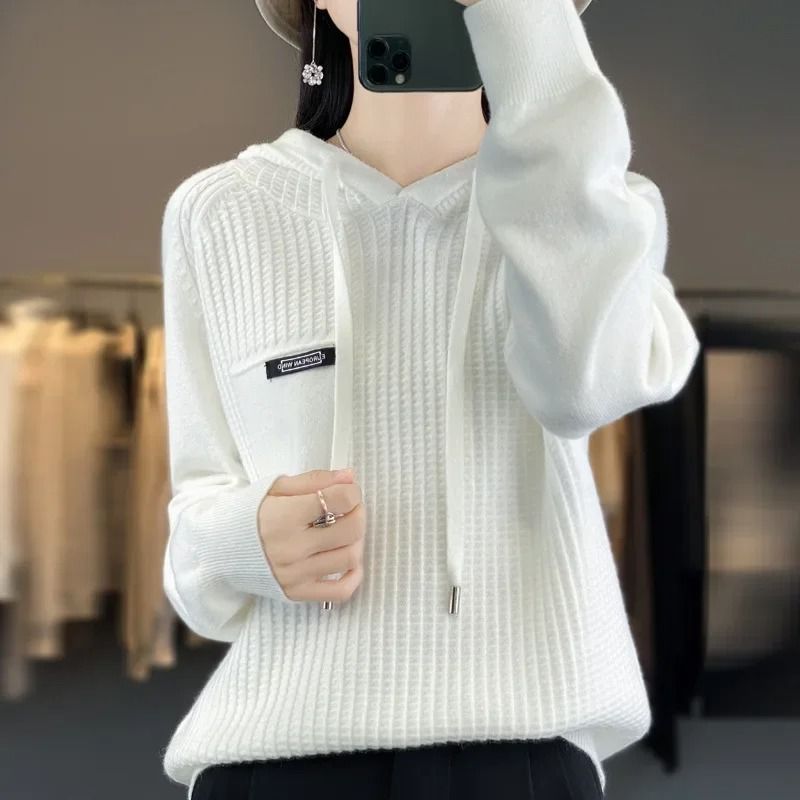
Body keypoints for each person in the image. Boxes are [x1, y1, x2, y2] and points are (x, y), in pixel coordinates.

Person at [159, 0, 701, 798]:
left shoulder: (597, 213)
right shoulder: (219, 213)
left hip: (520, 756)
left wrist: (526, 39)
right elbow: (194, 533)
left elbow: (583, 387)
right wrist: (248, 538)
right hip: (272, 758)